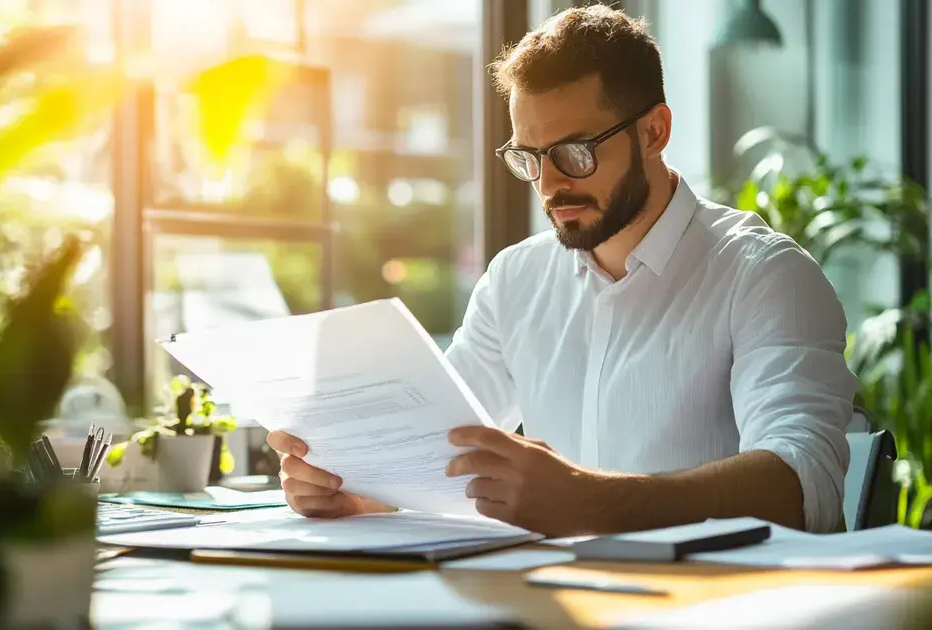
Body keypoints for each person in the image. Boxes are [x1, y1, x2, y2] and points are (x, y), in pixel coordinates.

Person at [266, 5, 857, 537]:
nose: (549, 185)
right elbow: (437, 451)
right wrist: (356, 491)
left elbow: (804, 487)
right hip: (546, 597)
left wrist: (592, 501)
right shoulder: (514, 281)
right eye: (530, 157)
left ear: (654, 132)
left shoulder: (765, 276)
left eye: (575, 152)